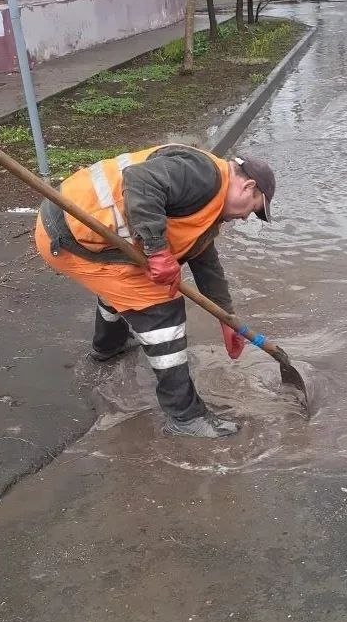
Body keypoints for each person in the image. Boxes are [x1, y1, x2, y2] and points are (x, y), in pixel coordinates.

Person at [34, 145, 275, 439]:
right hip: (70, 234)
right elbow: (140, 180)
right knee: (163, 312)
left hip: (78, 235)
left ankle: (108, 348)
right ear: (248, 186)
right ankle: (185, 417)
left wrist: (226, 317)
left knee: (125, 287)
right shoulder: (203, 176)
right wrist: (158, 250)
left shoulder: (210, 201)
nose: (248, 217)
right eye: (255, 208)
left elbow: (204, 259)